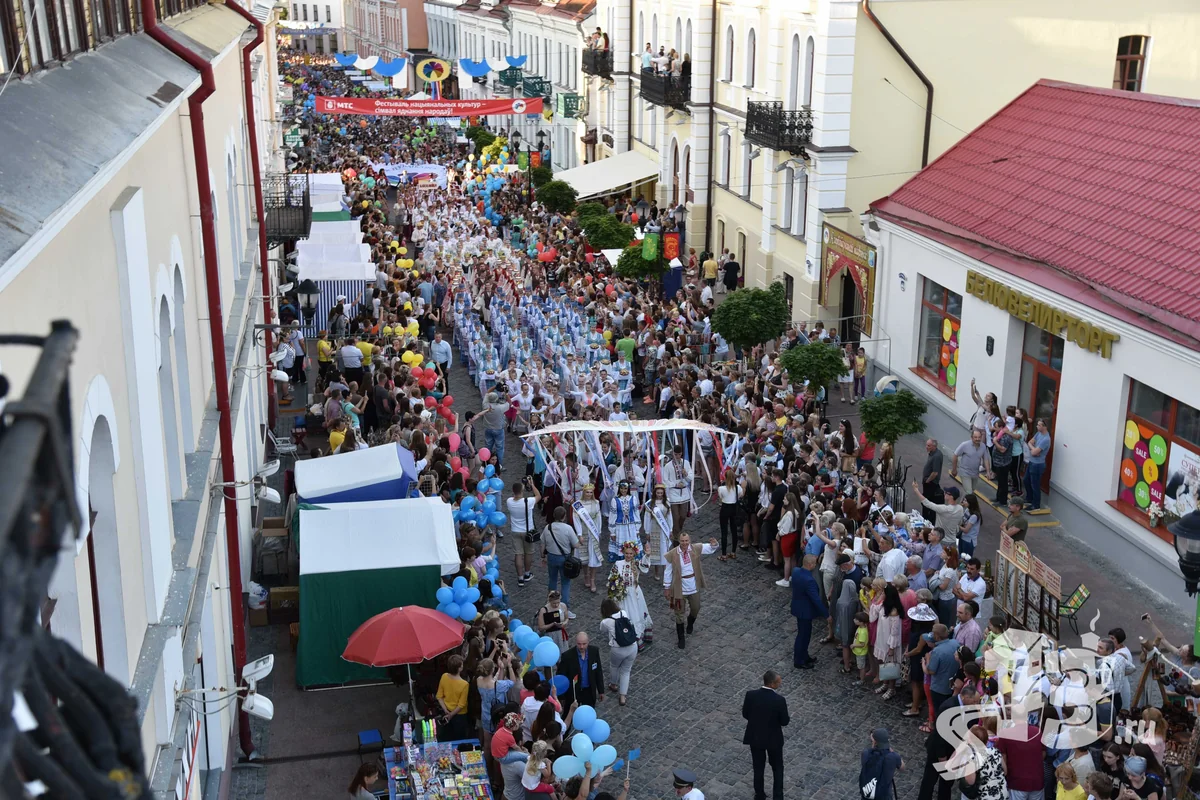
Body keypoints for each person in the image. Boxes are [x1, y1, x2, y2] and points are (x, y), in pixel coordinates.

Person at [663, 532, 719, 648]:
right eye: (682, 541)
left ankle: (690, 622)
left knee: (696, 608)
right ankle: (681, 638)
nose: (684, 543)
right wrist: (667, 588)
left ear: (689, 540)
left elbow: (709, 548)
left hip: (693, 586)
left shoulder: (695, 548)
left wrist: (714, 544)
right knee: (679, 613)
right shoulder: (672, 554)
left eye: (686, 541)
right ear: (679, 541)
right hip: (679, 588)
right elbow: (668, 571)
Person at [742, 670, 789, 800]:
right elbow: (784, 722)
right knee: (777, 768)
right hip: (774, 740)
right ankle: (778, 796)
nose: (780, 683)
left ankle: (759, 794)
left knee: (758, 767)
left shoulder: (750, 695)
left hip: (755, 737)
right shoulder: (779, 700)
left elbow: (745, 714)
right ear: (772, 684)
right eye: (779, 682)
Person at [608, 540, 652, 645]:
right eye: (626, 553)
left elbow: (645, 566)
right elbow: (611, 577)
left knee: (636, 615)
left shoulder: (636, 563)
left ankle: (637, 638)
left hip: (634, 594)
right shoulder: (618, 564)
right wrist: (615, 588)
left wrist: (647, 555)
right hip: (622, 595)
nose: (628, 555)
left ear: (634, 554)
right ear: (623, 553)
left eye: (630, 553)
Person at [600, 598, 639, 706]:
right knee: (626, 670)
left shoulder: (606, 621)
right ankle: (622, 696)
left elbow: (602, 630)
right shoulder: (623, 612)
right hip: (632, 646)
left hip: (617, 649)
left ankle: (613, 684)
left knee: (614, 666)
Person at [790, 554, 827, 669]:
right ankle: (799, 660)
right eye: (815, 564)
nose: (815, 565)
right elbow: (816, 599)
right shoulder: (809, 580)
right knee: (803, 636)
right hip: (805, 611)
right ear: (810, 565)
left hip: (798, 607)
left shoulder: (796, 571)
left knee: (803, 634)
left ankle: (804, 656)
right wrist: (826, 614)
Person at [542, 506, 579, 614]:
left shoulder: (547, 527)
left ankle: (551, 605)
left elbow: (542, 544)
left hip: (551, 557)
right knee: (565, 583)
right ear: (564, 517)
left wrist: (542, 557)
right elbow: (576, 544)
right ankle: (564, 609)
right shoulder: (568, 528)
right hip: (564, 558)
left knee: (552, 580)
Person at [557, 631, 604, 707]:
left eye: (584, 644)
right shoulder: (567, 656)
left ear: (588, 642)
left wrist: (601, 690)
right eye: (579, 644)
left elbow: (598, 672)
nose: (581, 646)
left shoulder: (594, 652)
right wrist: (561, 696)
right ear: (576, 642)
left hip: (589, 691)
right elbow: (562, 675)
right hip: (573, 692)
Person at [508, 477, 541, 586]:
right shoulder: (528, 501)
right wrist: (532, 485)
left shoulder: (509, 502)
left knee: (518, 554)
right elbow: (538, 496)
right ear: (522, 491)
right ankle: (527, 573)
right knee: (528, 553)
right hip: (527, 531)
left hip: (515, 530)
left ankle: (520, 578)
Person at [859, 728, 903, 800]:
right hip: (884, 796)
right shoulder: (893, 757)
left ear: (875, 742)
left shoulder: (865, 753)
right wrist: (892, 752)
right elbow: (902, 767)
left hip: (867, 793)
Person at [663, 445, 694, 541]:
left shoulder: (686, 463)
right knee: (675, 517)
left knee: (683, 515)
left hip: (684, 493)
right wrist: (675, 484)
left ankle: (677, 531)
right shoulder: (668, 466)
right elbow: (665, 481)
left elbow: (691, 477)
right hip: (673, 493)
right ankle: (677, 537)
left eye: (679, 454)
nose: (677, 456)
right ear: (673, 453)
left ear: (681, 454)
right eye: (675, 454)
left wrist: (686, 474)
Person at [436, 654, 470, 741]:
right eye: (461, 664)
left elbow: (439, 697)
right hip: (459, 716)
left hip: (446, 713)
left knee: (446, 738)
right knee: (459, 739)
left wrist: (446, 711)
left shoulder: (444, 676)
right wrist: (451, 715)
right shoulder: (464, 684)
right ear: (459, 668)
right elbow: (461, 705)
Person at [950, 429, 991, 498]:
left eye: (979, 437)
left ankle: (963, 505)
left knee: (971, 491)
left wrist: (988, 471)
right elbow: (955, 455)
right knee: (969, 492)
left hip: (975, 473)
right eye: (975, 437)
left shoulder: (983, 446)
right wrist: (954, 469)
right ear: (971, 437)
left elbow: (986, 459)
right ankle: (967, 507)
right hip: (965, 472)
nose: (977, 439)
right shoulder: (964, 445)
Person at [1024, 418, 1052, 510]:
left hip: (1038, 465)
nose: (1037, 426)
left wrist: (1033, 449)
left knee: (1035, 485)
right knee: (1026, 480)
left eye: (1039, 425)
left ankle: (1036, 505)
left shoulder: (1046, 439)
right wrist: (1034, 448)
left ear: (1045, 427)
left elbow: (1034, 452)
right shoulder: (1038, 433)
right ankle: (1029, 498)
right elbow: (1029, 442)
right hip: (1032, 462)